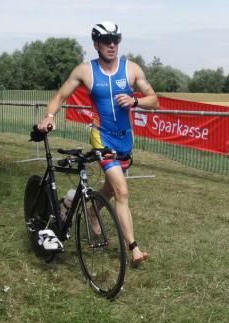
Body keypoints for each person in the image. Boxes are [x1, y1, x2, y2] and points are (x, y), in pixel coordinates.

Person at [37, 22, 158, 267]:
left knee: (111, 190)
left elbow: (153, 100)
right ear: (96, 44)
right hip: (102, 137)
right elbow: (60, 96)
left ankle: (89, 209)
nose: (112, 45)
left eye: (115, 41)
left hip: (125, 138)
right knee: (122, 191)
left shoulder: (132, 69)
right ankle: (134, 248)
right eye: (106, 41)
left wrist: (135, 101)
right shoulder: (85, 71)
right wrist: (49, 117)